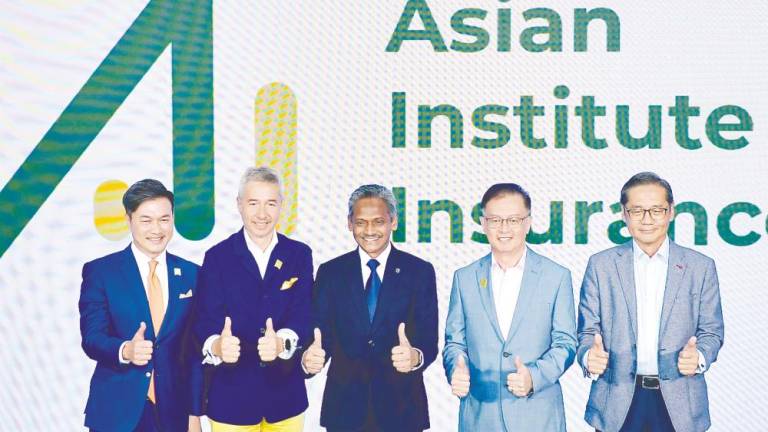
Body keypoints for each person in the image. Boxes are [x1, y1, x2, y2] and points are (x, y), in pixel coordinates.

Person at [577, 172, 725, 432]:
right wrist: (589, 356)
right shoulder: (601, 265)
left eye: (657, 210)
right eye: (637, 211)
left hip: (680, 402)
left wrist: (700, 356)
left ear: (671, 212)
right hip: (616, 401)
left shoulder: (700, 267)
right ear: (624, 214)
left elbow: (712, 331)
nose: (647, 220)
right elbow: (587, 330)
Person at [301, 184, 438, 432]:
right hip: (344, 412)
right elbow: (320, 338)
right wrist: (309, 361)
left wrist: (415, 357)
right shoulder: (331, 273)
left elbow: (428, 340)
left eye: (379, 221)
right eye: (361, 222)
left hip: (403, 411)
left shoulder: (419, 272)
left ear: (393, 222)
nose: (370, 230)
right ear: (349, 223)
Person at [443, 183, 577, 431]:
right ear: (483, 224)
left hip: (538, 416)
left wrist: (534, 377)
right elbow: (455, 343)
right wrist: (456, 367)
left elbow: (566, 343)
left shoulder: (556, 276)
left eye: (513, 220)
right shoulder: (464, 278)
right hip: (480, 417)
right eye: (495, 220)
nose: (504, 228)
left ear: (528, 223)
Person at [194, 167, 313, 431]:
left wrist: (283, 342)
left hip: (286, 399)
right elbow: (205, 319)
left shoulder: (299, 255)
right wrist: (217, 346)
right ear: (239, 205)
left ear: (281, 205)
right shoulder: (217, 257)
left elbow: (304, 313)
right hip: (231, 398)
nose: (262, 214)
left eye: (271, 203)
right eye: (253, 203)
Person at [79, 179, 203, 431]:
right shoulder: (101, 272)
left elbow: (193, 352)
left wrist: (194, 413)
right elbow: (92, 338)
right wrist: (126, 350)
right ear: (129, 219)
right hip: (117, 410)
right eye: (146, 220)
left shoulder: (193, 275)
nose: (157, 229)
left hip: (175, 411)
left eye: (164, 219)